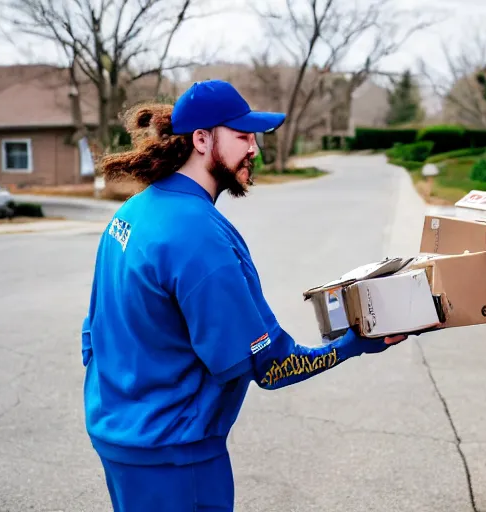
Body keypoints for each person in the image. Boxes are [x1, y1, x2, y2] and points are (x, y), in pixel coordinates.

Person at [80, 79, 407, 512]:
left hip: (118, 435)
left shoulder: (131, 212)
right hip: (174, 455)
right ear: (201, 139)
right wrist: (354, 345)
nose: (254, 148)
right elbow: (272, 366)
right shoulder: (199, 237)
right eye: (242, 136)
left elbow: (92, 333)